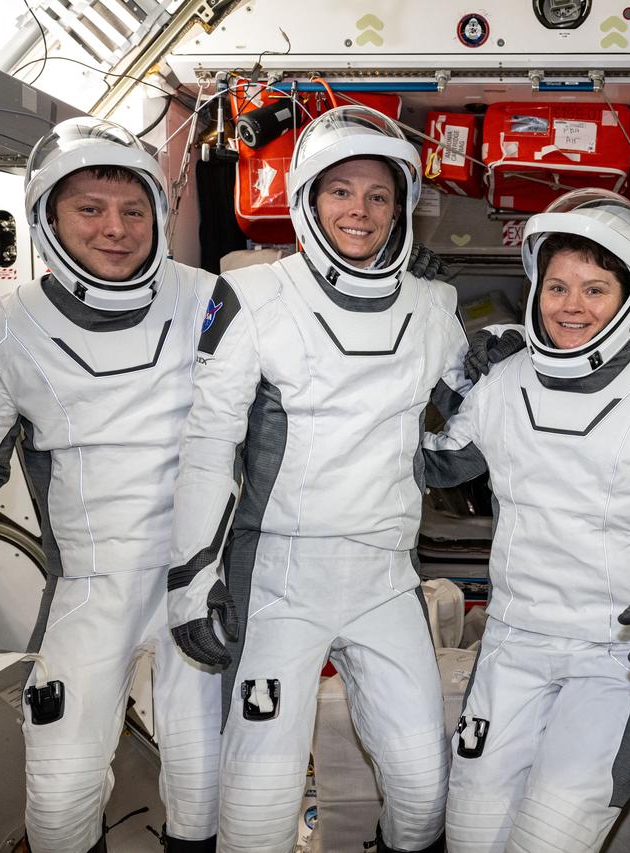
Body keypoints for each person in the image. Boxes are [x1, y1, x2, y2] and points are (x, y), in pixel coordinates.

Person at [0, 118, 222, 853]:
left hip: (199, 584)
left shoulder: (213, 302)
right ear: (46, 217)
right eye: (90, 208)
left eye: (134, 210)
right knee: (61, 802)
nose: (115, 229)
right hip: (90, 590)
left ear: (158, 216)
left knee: (204, 793)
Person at [165, 104, 471, 853]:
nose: (359, 211)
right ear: (306, 197)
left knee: (422, 787)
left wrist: (496, 371)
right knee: (259, 805)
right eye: (341, 191)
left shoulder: (434, 307)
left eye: (378, 195)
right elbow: (209, 447)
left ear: (401, 207)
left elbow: (472, 421)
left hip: (385, 576)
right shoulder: (253, 297)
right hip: (279, 577)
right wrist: (191, 582)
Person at [421, 188, 630, 853]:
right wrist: (450, 364)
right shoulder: (504, 381)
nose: (570, 306)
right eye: (557, 287)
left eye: (595, 289)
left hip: (619, 659)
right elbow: (433, 464)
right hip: (512, 645)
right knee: (470, 838)